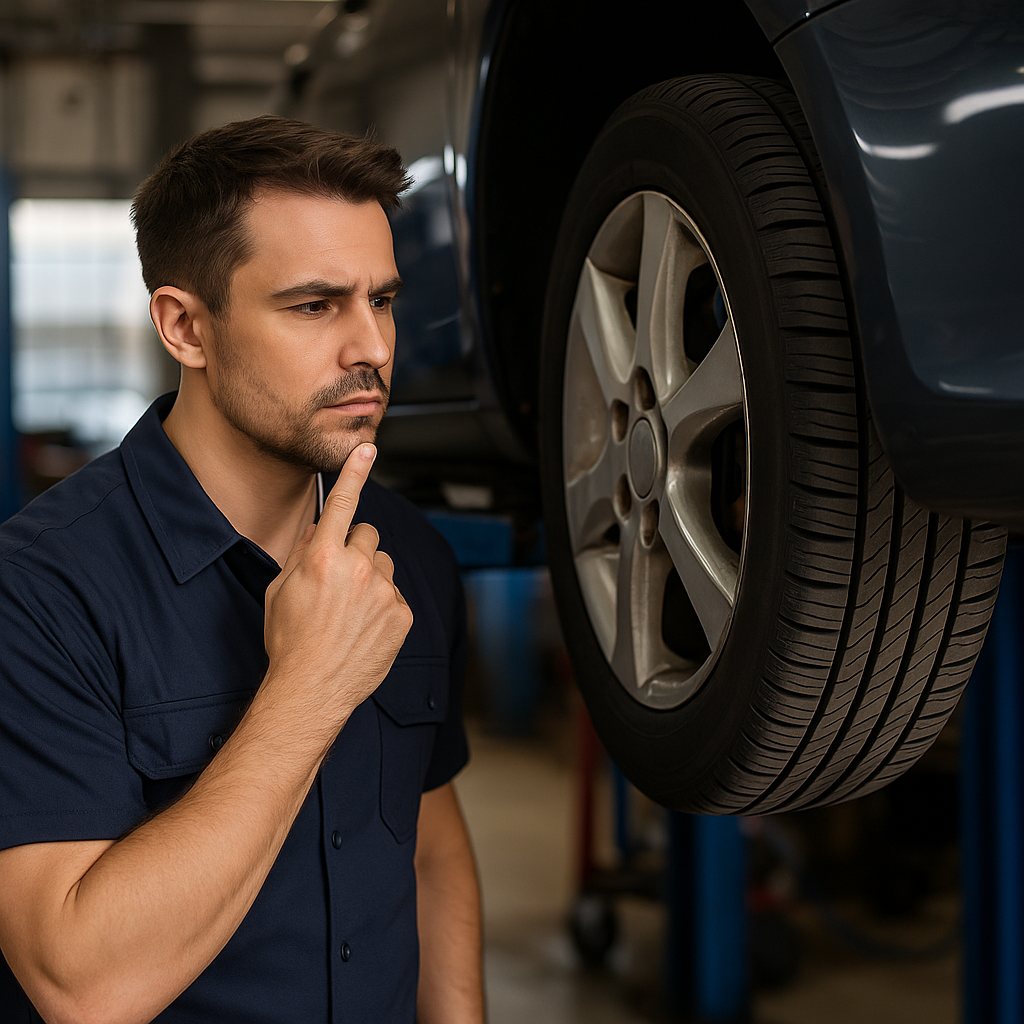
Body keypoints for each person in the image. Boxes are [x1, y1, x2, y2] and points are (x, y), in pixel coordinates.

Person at [0, 116, 485, 1024]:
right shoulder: (37, 594)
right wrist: (308, 686)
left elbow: (429, 846)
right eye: (313, 306)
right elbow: (82, 987)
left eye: (380, 299)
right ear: (185, 325)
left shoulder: (408, 554)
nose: (372, 348)